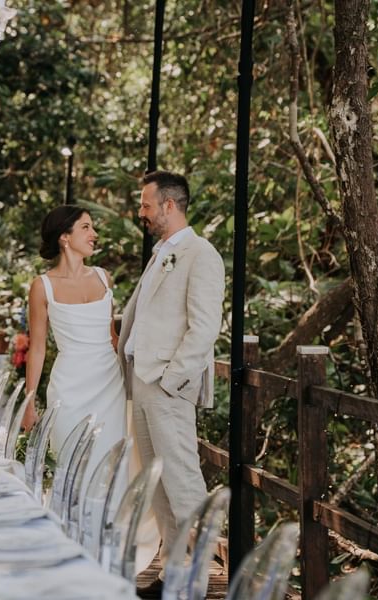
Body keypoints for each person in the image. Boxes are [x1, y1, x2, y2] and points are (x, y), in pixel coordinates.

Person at [118, 170, 224, 599]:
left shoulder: (201, 254)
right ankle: (172, 573)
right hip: (141, 382)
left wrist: (171, 380)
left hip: (165, 386)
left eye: (145, 204)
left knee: (183, 484)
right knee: (159, 485)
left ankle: (198, 581)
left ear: (169, 205)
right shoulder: (163, 251)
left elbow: (203, 329)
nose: (140, 212)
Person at [20, 205, 126, 482]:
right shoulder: (42, 286)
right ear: (64, 237)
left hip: (110, 388)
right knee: (68, 467)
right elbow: (38, 348)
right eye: (86, 227)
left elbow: (113, 338)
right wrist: (29, 403)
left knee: (110, 469)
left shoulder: (104, 277)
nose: (95, 234)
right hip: (69, 389)